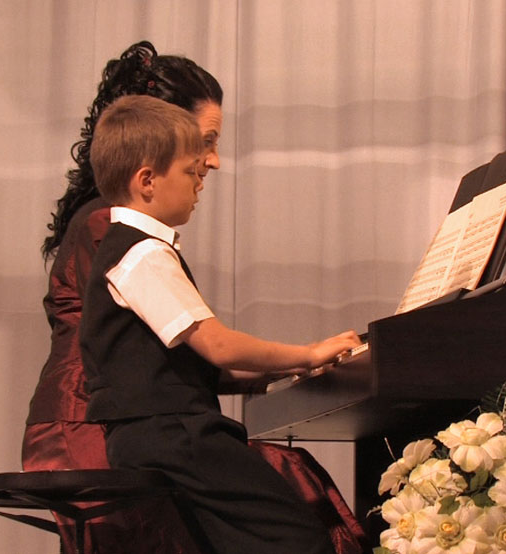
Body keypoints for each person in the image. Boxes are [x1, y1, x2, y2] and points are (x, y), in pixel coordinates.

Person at [23, 41, 367, 553]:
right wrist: (305, 354)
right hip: (90, 425)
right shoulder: (124, 237)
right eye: (201, 149)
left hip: (139, 423)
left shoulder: (127, 234)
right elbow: (209, 347)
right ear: (150, 163)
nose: (212, 165)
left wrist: (277, 370)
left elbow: (163, 352)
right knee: (291, 512)